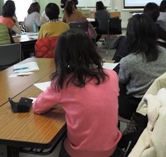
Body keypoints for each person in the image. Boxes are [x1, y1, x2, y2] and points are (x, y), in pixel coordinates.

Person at [33, 29, 122, 157]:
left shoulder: (64, 82)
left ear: (61, 55)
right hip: (111, 150)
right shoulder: (112, 76)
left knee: (62, 140)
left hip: (80, 152)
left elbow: (37, 107)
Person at [118, 14, 166, 119]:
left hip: (136, 107)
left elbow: (121, 82)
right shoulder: (164, 52)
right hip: (161, 103)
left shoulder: (128, 61)